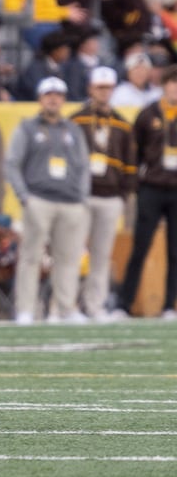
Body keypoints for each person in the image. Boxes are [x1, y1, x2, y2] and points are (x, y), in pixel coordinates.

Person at [5, 76, 90, 324]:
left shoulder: (72, 130)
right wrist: (24, 197)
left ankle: (65, 308)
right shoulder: (28, 128)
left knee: (68, 258)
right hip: (39, 199)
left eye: (58, 95)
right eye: (48, 94)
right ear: (40, 99)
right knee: (31, 257)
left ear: (63, 99)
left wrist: (82, 197)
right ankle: (26, 309)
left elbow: (83, 166)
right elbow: (12, 163)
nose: (53, 99)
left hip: (70, 201)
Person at [70, 66, 136, 320]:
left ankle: (95, 305)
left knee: (101, 254)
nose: (104, 92)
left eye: (108, 88)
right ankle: (69, 305)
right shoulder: (77, 120)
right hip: (83, 196)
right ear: (90, 88)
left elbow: (130, 164)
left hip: (110, 197)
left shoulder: (121, 124)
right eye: (100, 87)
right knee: (74, 252)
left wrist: (124, 194)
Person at [113, 65, 177, 319]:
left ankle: (169, 306)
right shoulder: (148, 113)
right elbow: (134, 152)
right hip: (151, 187)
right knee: (140, 246)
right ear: (164, 85)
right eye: (172, 83)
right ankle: (123, 304)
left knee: (175, 251)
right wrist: (136, 183)